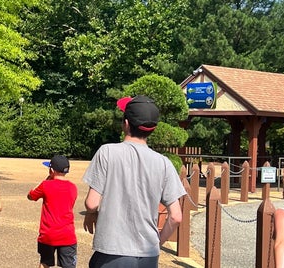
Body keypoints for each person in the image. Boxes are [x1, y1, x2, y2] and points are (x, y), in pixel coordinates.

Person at [82, 95, 186, 267]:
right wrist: (157, 244)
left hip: (112, 252)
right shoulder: (163, 163)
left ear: (126, 124)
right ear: (153, 129)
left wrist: (91, 215)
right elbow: (176, 216)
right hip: (148, 256)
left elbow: (92, 203)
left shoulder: (107, 152)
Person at [27, 155, 78, 268]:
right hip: (67, 234)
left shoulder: (46, 185)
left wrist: (46, 180)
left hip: (48, 234)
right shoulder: (73, 187)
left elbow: (31, 196)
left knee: (45, 262)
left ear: (51, 170)